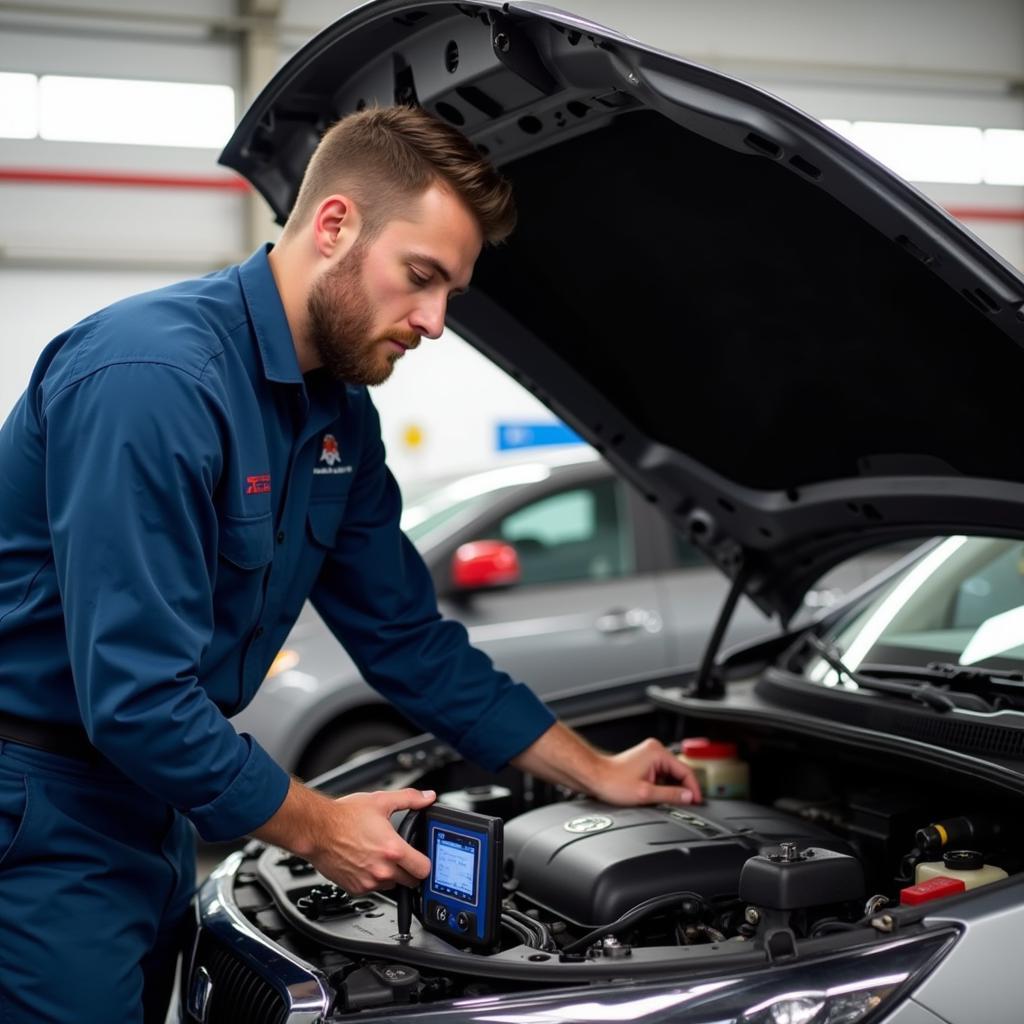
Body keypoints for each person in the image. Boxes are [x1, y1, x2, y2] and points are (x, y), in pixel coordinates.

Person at [0, 105, 700, 1022]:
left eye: (451, 291)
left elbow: (409, 639)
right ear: (334, 225)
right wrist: (320, 828)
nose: (437, 321)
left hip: (155, 805)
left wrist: (593, 770)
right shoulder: (153, 380)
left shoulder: (338, 418)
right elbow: (134, 698)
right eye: (422, 277)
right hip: (39, 812)